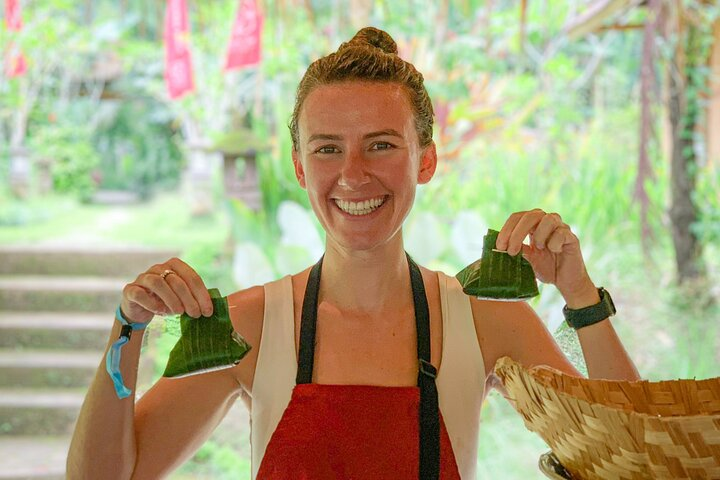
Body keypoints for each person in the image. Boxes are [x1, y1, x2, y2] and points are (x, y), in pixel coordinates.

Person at [66, 26, 641, 480]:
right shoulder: (251, 326)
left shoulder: (486, 321)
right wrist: (128, 329)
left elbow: (634, 460)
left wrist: (581, 295)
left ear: (426, 160)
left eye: (382, 145)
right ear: (299, 166)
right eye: (327, 149)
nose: (353, 174)